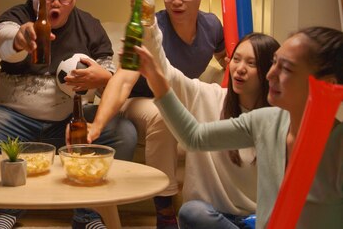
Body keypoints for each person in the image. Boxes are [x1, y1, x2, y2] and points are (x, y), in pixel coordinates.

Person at [0, 0, 137, 229]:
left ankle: (88, 215)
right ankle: (5, 212)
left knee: (124, 133)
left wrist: (102, 78)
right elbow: (4, 40)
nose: (56, 2)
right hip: (12, 118)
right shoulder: (16, 17)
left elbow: (111, 81)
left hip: (69, 121)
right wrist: (20, 39)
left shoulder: (90, 26)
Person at [135, 26, 343, 229]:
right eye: (274, 63)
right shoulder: (266, 121)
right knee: (193, 212)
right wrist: (156, 79)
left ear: (327, 84)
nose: (270, 74)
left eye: (286, 68)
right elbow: (194, 137)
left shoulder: (338, 148)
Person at [92, 17, 279, 228]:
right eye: (236, 59)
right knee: (192, 212)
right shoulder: (209, 96)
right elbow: (169, 75)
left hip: (256, 220)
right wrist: (149, 28)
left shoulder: (276, 120)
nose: (240, 68)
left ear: (269, 72)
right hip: (210, 218)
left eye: (251, 63)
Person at [121, 0, 226, 228]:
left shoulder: (212, 25)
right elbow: (124, 77)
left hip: (180, 96)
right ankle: (165, 209)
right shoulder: (153, 26)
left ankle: (214, 200)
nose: (176, 1)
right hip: (141, 98)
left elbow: (228, 59)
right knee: (163, 115)